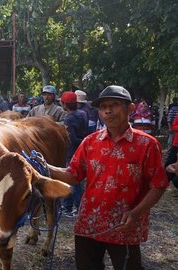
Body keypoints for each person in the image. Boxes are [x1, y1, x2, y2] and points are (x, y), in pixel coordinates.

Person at [48, 85, 168, 270]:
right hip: (89, 225)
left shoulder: (147, 144)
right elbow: (72, 175)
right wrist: (42, 166)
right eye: (103, 107)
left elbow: (159, 185)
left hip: (124, 226)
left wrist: (135, 214)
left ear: (130, 109)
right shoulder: (90, 142)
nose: (108, 111)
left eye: (114, 105)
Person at [59, 91, 88, 217]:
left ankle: (77, 207)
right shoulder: (83, 114)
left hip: (72, 152)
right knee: (77, 180)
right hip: (82, 151)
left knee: (73, 180)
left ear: (64, 104)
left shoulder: (69, 119)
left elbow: (72, 139)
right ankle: (68, 206)